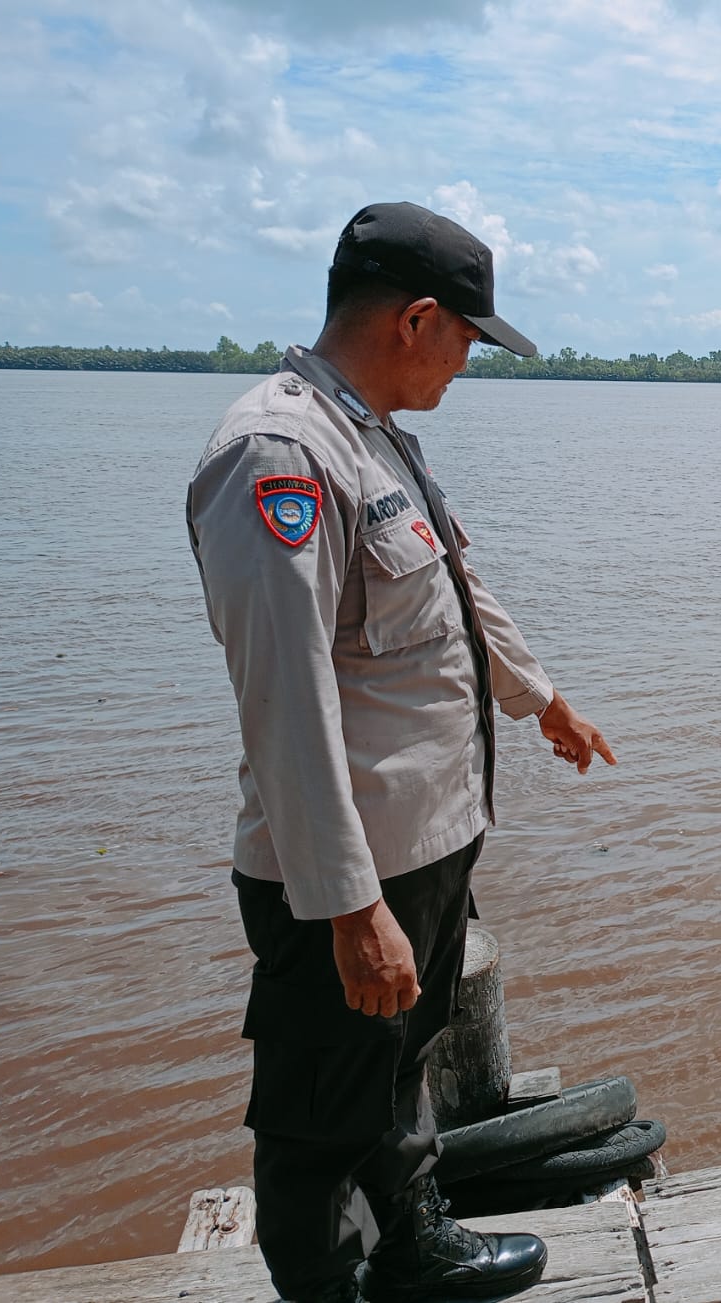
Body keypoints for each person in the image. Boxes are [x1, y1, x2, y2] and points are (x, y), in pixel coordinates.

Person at [187, 201, 616, 1303]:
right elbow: (284, 704)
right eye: (469, 340)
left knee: (401, 1063)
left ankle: (416, 1248)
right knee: (318, 1112)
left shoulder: (372, 438)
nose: (470, 364)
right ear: (416, 320)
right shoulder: (277, 456)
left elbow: (457, 598)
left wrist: (542, 700)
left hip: (425, 842)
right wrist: (347, 906)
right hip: (348, 872)